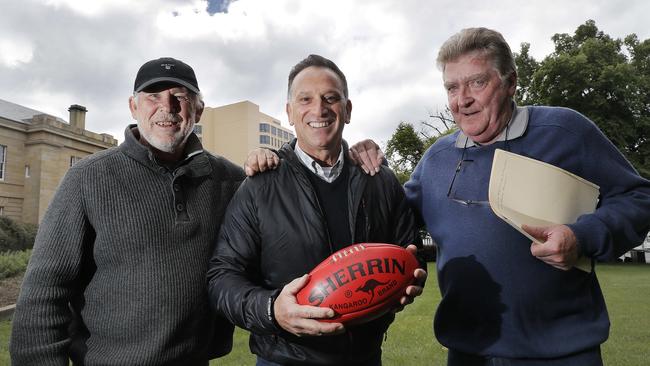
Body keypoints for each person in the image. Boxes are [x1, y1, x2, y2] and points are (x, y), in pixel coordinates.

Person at [345, 28, 650, 365]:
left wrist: (582, 237)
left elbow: (638, 197)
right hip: (468, 353)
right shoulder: (436, 159)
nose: (462, 100)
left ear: (510, 82)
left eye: (477, 83)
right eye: (452, 87)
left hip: (563, 353)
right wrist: (365, 167)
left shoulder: (565, 131)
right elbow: (389, 220)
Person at [10, 57, 245, 365]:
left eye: (180, 97)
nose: (167, 106)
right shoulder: (87, 177)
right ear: (134, 107)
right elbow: (44, 293)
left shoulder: (229, 179)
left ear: (198, 109)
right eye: (153, 97)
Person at [207, 54, 426, 366]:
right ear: (290, 112)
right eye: (305, 99)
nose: (319, 109)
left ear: (347, 110)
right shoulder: (258, 187)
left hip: (363, 358)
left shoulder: (381, 181)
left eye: (331, 98)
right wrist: (272, 310)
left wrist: (411, 280)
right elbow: (222, 276)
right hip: (284, 359)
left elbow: (410, 254)